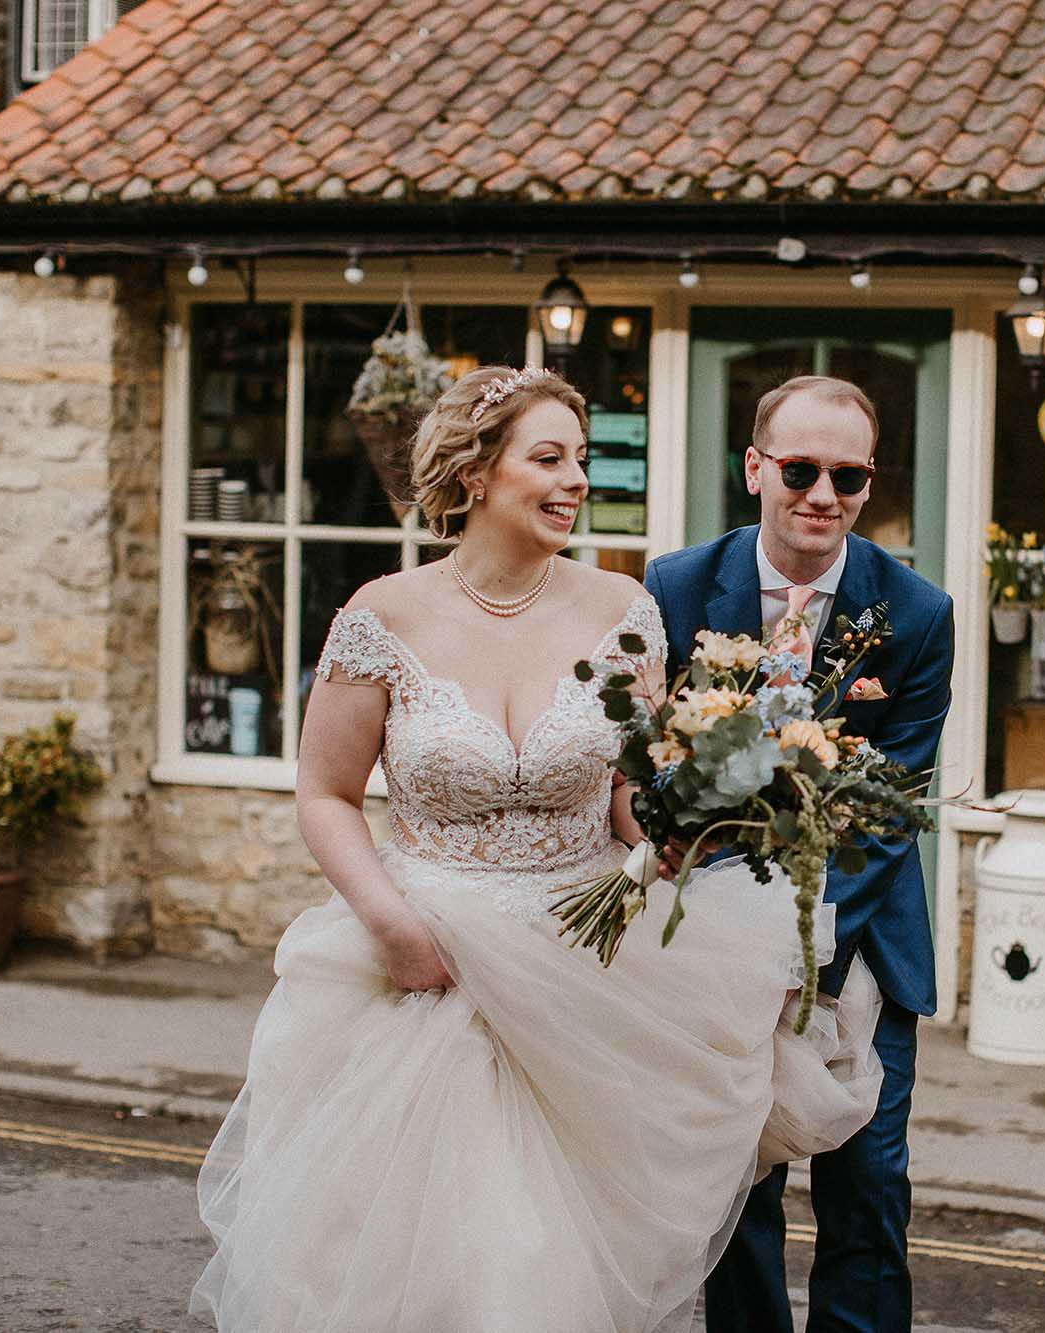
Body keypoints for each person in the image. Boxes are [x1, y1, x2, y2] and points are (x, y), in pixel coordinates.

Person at [191, 366, 884, 1332]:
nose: (574, 483)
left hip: (586, 968)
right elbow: (326, 793)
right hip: (425, 965)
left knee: (554, 1261)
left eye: (583, 462)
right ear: (477, 474)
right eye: (548, 459)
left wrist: (676, 831)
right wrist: (389, 921)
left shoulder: (623, 610)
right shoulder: (380, 618)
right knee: (425, 1257)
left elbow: (623, 789)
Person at [646, 375, 956, 1333]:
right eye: (800, 468)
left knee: (868, 1196)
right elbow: (659, 773)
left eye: (849, 475)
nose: (823, 494)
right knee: (736, 1194)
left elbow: (885, 811)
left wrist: (802, 953)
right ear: (755, 467)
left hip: (863, 947)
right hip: (715, 944)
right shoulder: (675, 587)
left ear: (869, 484)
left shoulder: (917, 611)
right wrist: (735, 932)